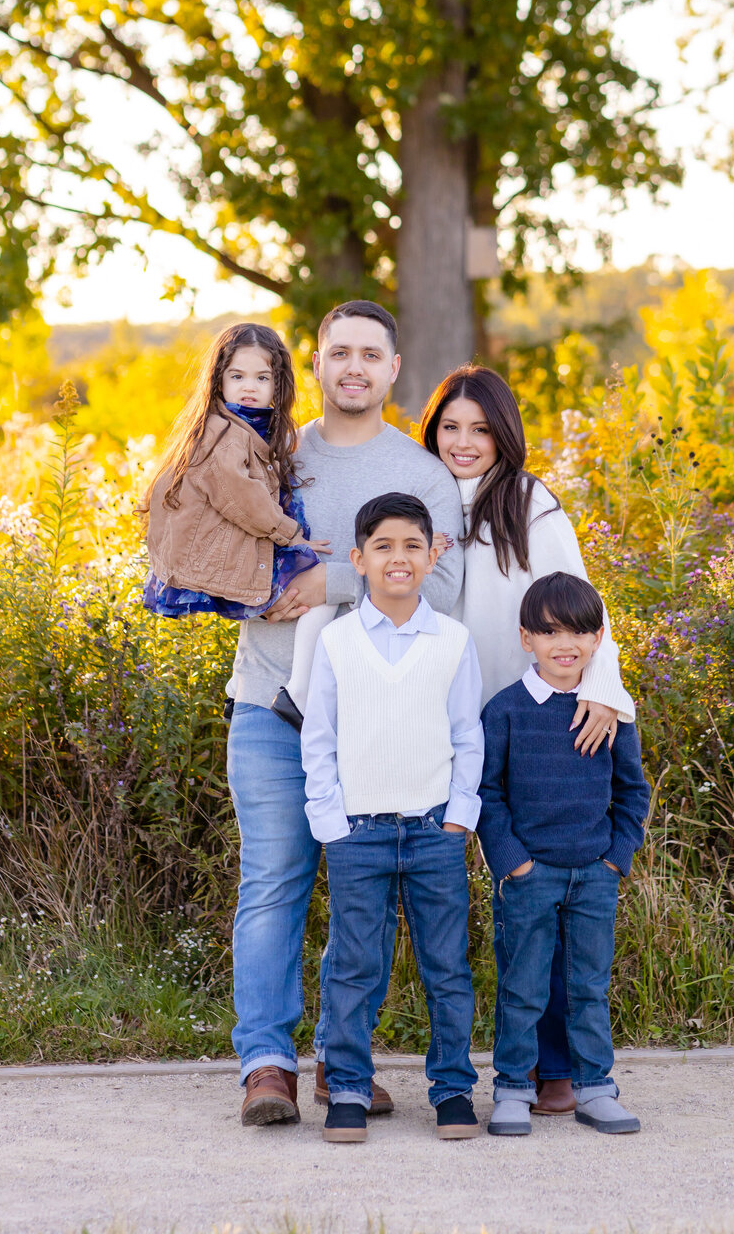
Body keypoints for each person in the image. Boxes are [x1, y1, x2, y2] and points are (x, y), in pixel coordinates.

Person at [226, 301, 464, 1128]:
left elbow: (444, 591)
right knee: (274, 882)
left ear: (394, 368)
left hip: (380, 724)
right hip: (268, 704)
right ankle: (265, 1065)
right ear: (316, 366)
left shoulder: (422, 475)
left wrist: (341, 582)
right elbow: (209, 541)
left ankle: (342, 1063)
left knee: (360, 897)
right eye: (338, 354)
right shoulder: (266, 455)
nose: (353, 367)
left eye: (370, 354)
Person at [421, 363, 635, 1113]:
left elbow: (582, 603)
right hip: (441, 726)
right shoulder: (425, 497)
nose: (465, 441)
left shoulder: (531, 503)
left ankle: (554, 1069)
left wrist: (604, 692)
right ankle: (463, 1069)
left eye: (481, 428)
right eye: (451, 426)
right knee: (471, 902)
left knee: (539, 893)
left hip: (528, 721)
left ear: (503, 433)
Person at [302, 491, 483, 1144]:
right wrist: (331, 824)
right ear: (359, 559)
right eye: (383, 547)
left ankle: (453, 1090)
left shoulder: (452, 642)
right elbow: (318, 738)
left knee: (446, 968)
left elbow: (468, 736)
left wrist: (461, 816)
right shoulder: (337, 642)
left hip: (434, 830)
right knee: (354, 965)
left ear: (432, 554)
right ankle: (347, 1089)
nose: (399, 558)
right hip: (360, 834)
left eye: (413, 545)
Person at [477, 572, 650, 1138]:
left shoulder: (609, 711)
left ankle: (595, 1088)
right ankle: (512, 1090)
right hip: (531, 875)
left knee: (587, 986)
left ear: (598, 638)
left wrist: (615, 858)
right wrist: (513, 864)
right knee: (523, 986)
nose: (565, 644)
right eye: (550, 632)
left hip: (594, 875)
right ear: (527, 639)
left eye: (579, 631)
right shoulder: (505, 711)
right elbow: (488, 794)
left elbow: (632, 792)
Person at [141, 321, 329, 624]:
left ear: (277, 384)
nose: (249, 387)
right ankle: (309, 670)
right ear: (220, 381)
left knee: (314, 596)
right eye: (237, 376)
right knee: (320, 582)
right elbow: (243, 498)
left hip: (224, 554)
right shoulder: (223, 434)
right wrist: (292, 536)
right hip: (214, 561)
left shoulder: (249, 427)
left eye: (262, 377)